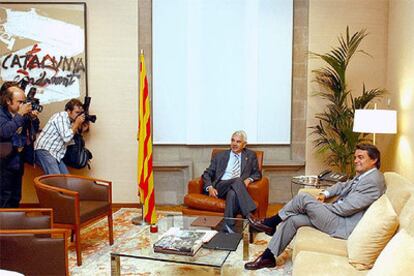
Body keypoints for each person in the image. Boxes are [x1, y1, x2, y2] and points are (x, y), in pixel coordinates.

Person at [244, 143, 385, 270]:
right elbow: (343, 185)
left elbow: (345, 208)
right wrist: (325, 193)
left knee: (303, 199)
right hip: (337, 216)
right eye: (355, 157)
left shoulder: (373, 181)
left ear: (374, 160)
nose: (356, 161)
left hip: (342, 224)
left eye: (360, 157)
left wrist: (319, 207)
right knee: (294, 219)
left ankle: (270, 222)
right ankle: (268, 257)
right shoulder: (365, 175)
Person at [202, 130, 261, 222]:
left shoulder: (250, 155)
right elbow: (207, 173)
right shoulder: (220, 156)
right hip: (221, 186)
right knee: (237, 180)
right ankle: (249, 214)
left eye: (238, 141)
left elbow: (257, 173)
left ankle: (228, 228)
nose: (234, 144)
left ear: (244, 144)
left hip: (236, 189)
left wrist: (249, 180)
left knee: (232, 194)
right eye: (233, 140)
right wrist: (209, 188)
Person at [0, 81, 39, 208]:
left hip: (18, 159)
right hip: (4, 161)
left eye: (24, 102)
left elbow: (32, 130)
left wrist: (33, 118)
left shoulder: (23, 114)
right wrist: (20, 114)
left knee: (16, 196)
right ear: (8, 101)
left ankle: (14, 226)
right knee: (4, 196)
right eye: (20, 102)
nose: (23, 105)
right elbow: (4, 132)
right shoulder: (2, 113)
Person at [34, 98, 85, 174]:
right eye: (77, 112)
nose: (78, 115)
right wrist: (76, 124)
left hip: (56, 154)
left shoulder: (70, 121)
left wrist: (79, 127)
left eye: (80, 113)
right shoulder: (61, 116)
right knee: (56, 180)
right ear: (68, 111)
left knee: (66, 180)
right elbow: (66, 137)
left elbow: (70, 138)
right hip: (46, 150)